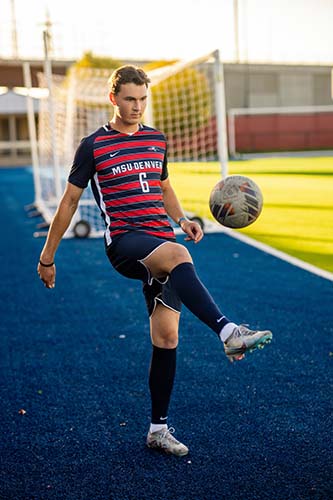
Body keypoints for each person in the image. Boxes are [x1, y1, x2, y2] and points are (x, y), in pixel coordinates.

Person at [37, 65, 272, 457]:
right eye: (129, 99)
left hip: (160, 243)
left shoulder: (156, 140)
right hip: (125, 244)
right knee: (180, 254)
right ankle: (229, 332)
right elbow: (70, 202)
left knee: (166, 338)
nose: (137, 107)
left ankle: (157, 430)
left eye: (143, 99)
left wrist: (183, 219)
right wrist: (47, 257)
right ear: (113, 98)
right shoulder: (92, 146)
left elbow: (164, 187)